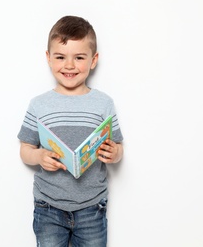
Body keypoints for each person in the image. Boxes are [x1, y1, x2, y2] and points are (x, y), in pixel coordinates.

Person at [17, 15, 124, 247]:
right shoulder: (39, 104)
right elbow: (25, 149)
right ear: (48, 58)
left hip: (92, 207)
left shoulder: (103, 103)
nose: (69, 65)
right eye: (60, 57)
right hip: (49, 207)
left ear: (93, 60)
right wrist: (39, 156)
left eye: (79, 57)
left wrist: (113, 153)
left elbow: (118, 149)